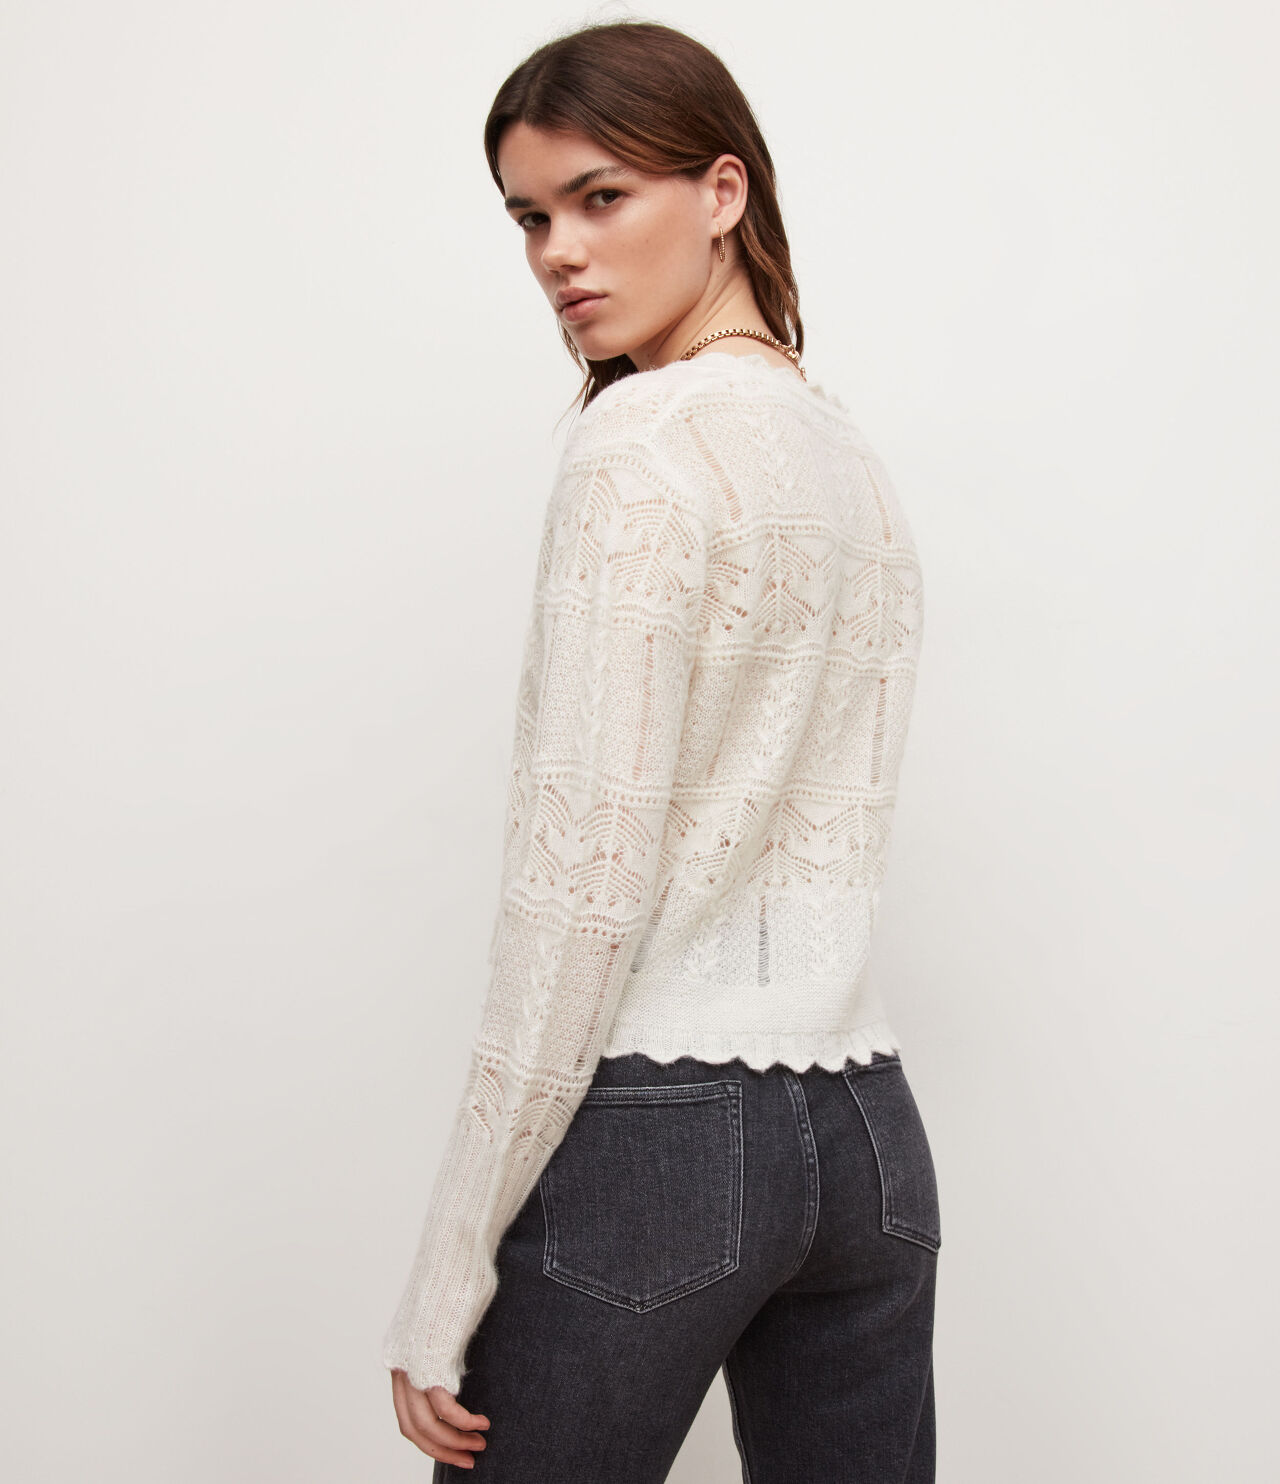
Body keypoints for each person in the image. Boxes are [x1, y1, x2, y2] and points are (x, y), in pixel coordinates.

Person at [383, 20, 939, 1482]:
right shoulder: (850, 461)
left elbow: (580, 890)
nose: (559, 253)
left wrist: (449, 1263)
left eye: (601, 197)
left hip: (663, 1138)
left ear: (722, 192)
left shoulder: (640, 445)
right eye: (529, 217)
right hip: (868, 1136)